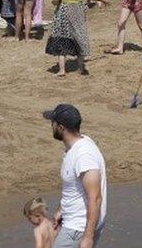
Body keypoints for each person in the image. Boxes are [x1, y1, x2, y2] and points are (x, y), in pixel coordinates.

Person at [42, 104, 106, 248]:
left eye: (53, 123)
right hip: (74, 224)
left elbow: (95, 197)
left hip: (77, 229)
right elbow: (75, 188)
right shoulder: (75, 146)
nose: (51, 125)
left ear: (61, 127)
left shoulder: (84, 155)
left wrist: (88, 237)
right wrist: (61, 210)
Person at [46, 0, 109, 76]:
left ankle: (62, 70)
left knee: (62, 39)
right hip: (78, 13)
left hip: (64, 13)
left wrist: (55, 2)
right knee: (79, 38)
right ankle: (81, 68)